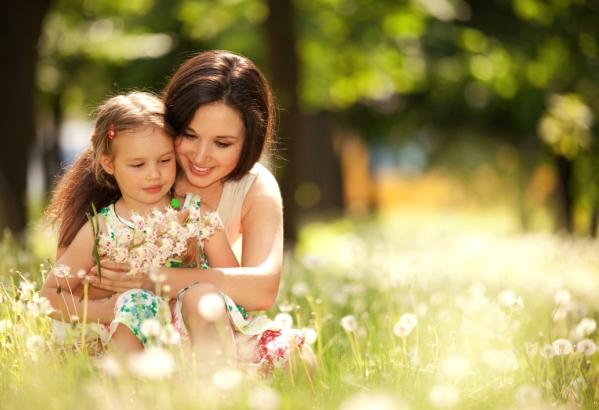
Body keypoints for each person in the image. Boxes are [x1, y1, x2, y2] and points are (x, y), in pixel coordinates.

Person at [83, 50, 315, 374]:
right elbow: (78, 279)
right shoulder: (137, 167)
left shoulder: (254, 187)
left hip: (212, 323)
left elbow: (262, 290)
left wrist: (159, 279)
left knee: (298, 360)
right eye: (189, 135)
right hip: (139, 328)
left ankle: (216, 387)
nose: (201, 157)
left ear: (250, 141)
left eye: (222, 143)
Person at [40, 91, 238, 355]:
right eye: (138, 165)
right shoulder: (103, 228)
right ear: (108, 164)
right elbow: (50, 295)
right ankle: (127, 387)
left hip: (189, 338)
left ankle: (214, 385)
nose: (154, 174)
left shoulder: (198, 216)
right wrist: (109, 309)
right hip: (120, 338)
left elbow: (236, 287)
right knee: (136, 302)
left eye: (164, 160)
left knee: (205, 298)